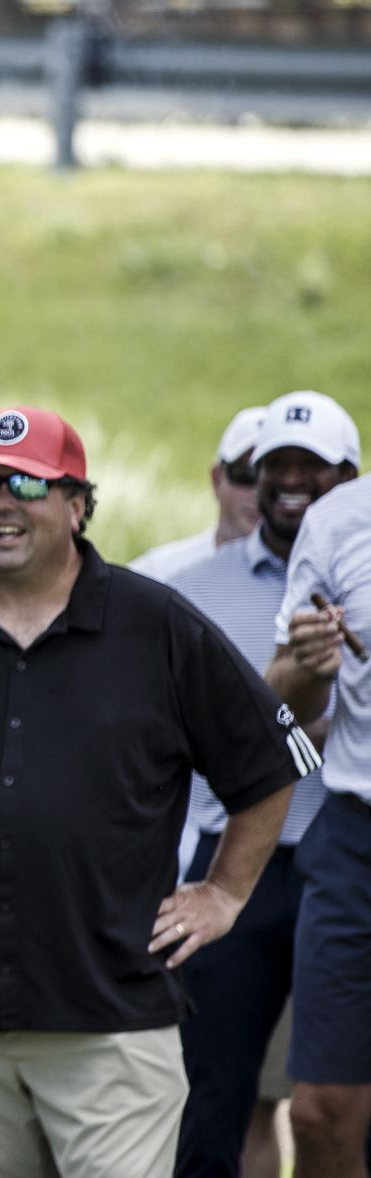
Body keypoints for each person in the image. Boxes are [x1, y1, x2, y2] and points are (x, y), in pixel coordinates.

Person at [0, 404, 315, 1177]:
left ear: (77, 505)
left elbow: (270, 762)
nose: (0, 502)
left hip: (111, 1022)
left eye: (25, 483)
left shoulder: (157, 625)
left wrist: (224, 895)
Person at [169, 390, 357, 1178]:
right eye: (272, 467)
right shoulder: (194, 590)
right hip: (233, 857)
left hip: (342, 846)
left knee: (335, 1096)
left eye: (311, 469)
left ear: (347, 477)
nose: (290, 483)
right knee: (209, 1092)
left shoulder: (361, 567)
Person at [266, 423, 371, 1178]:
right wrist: (308, 665)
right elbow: (281, 700)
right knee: (319, 1113)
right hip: (355, 836)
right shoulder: (340, 519)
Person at [134, 406, 267, 583]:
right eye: (245, 474)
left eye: (274, 484)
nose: (257, 493)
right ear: (217, 479)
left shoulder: (308, 582)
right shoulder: (155, 574)